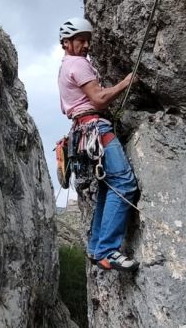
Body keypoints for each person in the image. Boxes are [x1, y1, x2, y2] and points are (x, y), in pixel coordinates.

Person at [57, 17, 139, 272]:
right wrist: (126, 82)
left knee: (108, 187)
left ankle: (96, 247)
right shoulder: (78, 64)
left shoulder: (64, 67)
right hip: (95, 129)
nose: (85, 46)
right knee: (123, 183)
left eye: (87, 41)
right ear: (67, 43)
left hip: (82, 131)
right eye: (80, 40)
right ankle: (107, 251)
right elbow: (100, 99)